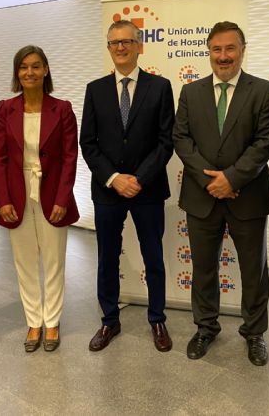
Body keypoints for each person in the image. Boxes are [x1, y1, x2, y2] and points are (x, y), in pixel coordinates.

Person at [173, 21, 269, 366]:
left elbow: (265, 142)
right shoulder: (191, 92)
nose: (223, 56)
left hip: (247, 196)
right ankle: (205, 327)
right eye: (216, 49)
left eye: (230, 48)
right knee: (203, 268)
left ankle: (254, 333)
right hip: (202, 197)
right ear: (209, 53)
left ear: (242, 50)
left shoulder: (263, 90)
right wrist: (210, 182)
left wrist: (232, 179)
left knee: (253, 271)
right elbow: (181, 140)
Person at [80, 20, 175, 353]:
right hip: (107, 190)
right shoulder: (95, 89)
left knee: (154, 258)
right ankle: (109, 321)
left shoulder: (160, 87)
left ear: (140, 46)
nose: (120, 47)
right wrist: (113, 178)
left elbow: (166, 141)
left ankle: (157, 319)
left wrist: (139, 178)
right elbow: (88, 143)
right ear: (108, 48)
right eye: (113, 43)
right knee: (107, 258)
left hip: (147, 189)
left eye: (127, 42)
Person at [0, 45, 79, 353]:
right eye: (23, 67)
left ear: (46, 71)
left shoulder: (63, 108)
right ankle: (33, 321)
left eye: (36, 66)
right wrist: (2, 198)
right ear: (17, 73)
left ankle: (52, 321)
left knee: (54, 261)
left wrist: (63, 197)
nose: (30, 72)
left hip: (53, 194)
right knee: (25, 262)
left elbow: (71, 157)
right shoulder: (6, 109)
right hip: (17, 195)